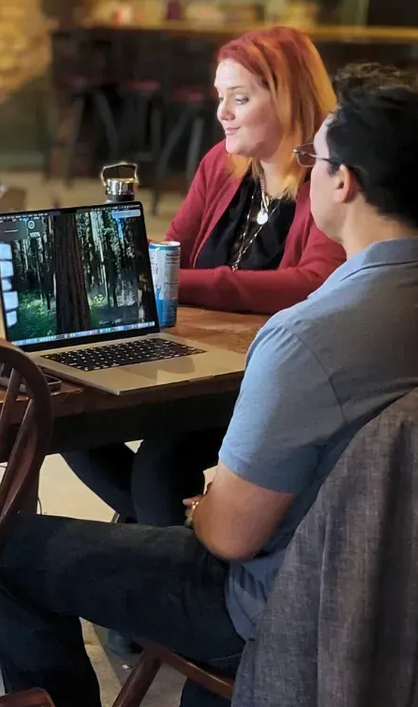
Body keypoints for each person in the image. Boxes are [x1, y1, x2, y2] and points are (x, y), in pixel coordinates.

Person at [0, 68, 418, 707]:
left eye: (315, 159)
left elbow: (231, 539)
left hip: (297, 607)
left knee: (8, 550)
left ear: (343, 184)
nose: (308, 172)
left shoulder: (313, 335)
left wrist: (209, 507)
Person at [67, 27, 345, 533]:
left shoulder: (324, 180)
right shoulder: (222, 164)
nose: (222, 113)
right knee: (71, 430)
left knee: (159, 466)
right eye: (221, 97)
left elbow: (314, 281)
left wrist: (181, 283)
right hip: (195, 358)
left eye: (240, 98)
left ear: (289, 99)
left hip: (267, 375)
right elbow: (169, 250)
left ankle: (167, 565)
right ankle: (179, 550)